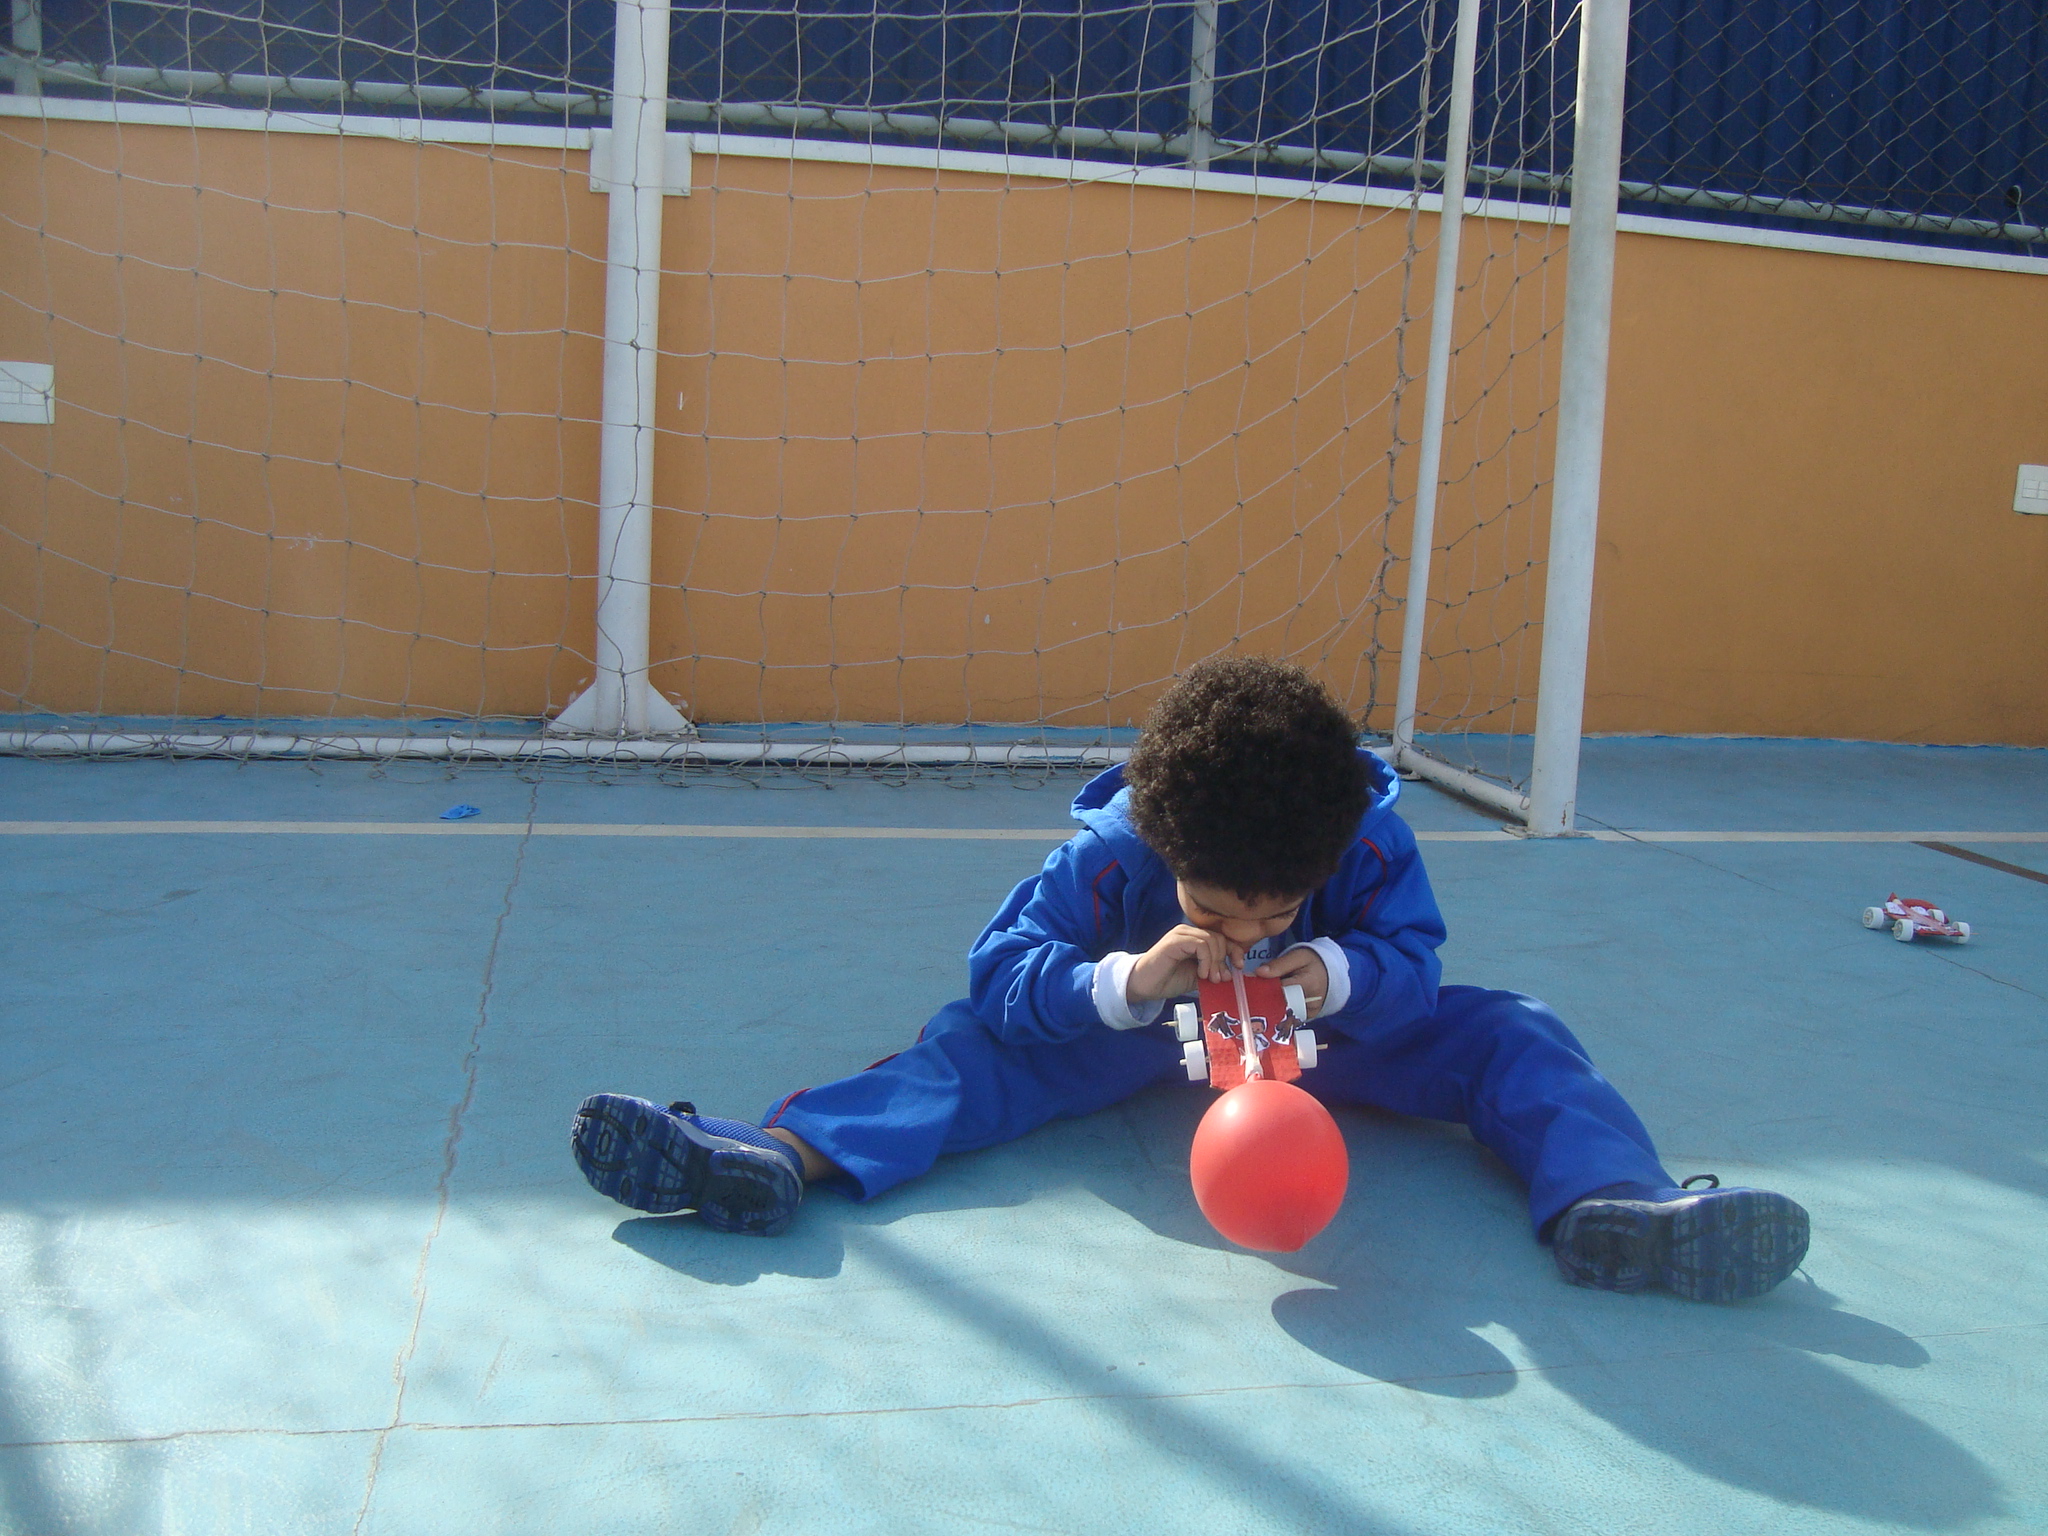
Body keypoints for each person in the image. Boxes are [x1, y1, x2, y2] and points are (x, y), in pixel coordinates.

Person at [571, 656, 1810, 1301]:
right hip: (1135, 1036)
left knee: (1516, 1032)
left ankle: (1615, 1206)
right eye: (1218, 910)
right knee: (963, 1049)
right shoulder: (1112, 854)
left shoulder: (1364, 838)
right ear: (1164, 852)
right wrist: (1124, 981)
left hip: (1331, 1042)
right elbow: (1001, 969)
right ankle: (773, 1160)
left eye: (1279, 908)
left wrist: (1327, 972)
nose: (1249, 928)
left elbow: (1416, 966)